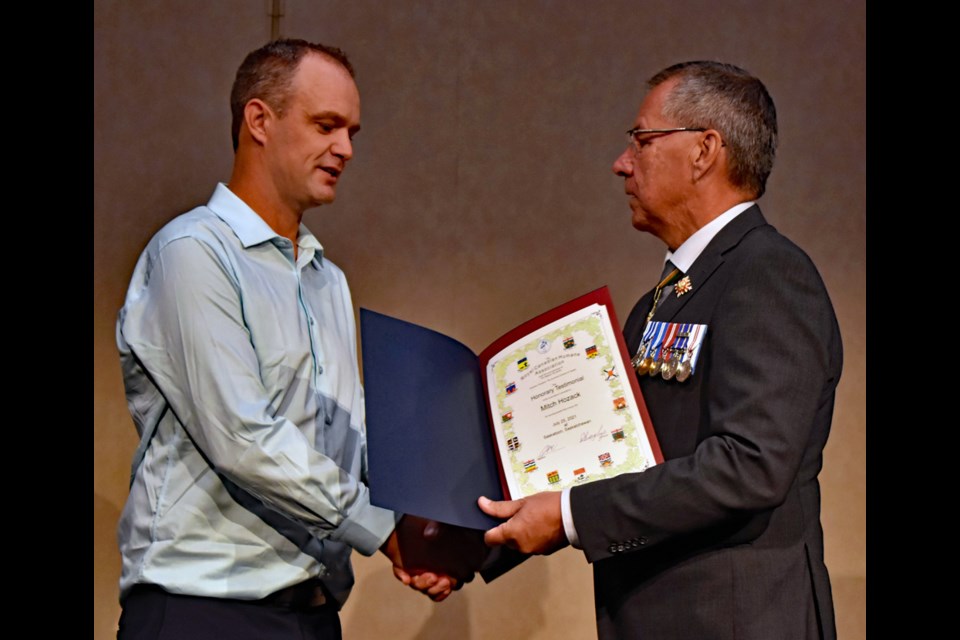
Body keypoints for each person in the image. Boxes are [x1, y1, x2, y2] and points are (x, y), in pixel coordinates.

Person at [115, 39, 478, 640]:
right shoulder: (192, 254)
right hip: (204, 613)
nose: (346, 149)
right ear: (260, 120)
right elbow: (244, 437)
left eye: (352, 131)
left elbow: (348, 434)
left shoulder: (327, 280)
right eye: (326, 125)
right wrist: (388, 532)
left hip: (312, 615)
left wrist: (432, 514)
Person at [479, 61, 841, 640]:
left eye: (641, 141)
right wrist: (474, 541)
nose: (622, 163)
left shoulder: (768, 274)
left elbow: (750, 466)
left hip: (735, 621)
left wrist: (569, 516)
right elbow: (611, 454)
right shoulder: (660, 302)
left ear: (704, 151)